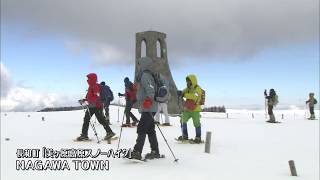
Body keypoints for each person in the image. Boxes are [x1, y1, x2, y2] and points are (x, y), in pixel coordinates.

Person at [126, 57, 160, 160]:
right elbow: (143, 91)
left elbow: (150, 90)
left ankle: (137, 152)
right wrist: (137, 99)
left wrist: (149, 100)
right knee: (150, 130)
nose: (139, 66)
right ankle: (155, 151)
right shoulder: (144, 76)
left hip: (149, 107)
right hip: (148, 107)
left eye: (140, 64)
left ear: (144, 64)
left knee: (141, 128)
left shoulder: (145, 75)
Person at [76, 73, 116, 141]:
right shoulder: (91, 86)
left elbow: (97, 96)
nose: (87, 80)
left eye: (88, 78)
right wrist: (84, 100)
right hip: (92, 106)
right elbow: (91, 97)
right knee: (87, 119)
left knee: (100, 120)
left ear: (92, 79)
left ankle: (109, 132)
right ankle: (84, 135)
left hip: (97, 106)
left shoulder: (95, 86)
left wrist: (89, 101)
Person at [176, 74, 203, 144]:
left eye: (188, 81)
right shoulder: (187, 88)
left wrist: (184, 95)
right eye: (187, 81)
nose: (187, 82)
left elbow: (194, 96)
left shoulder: (198, 88)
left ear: (192, 81)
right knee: (182, 120)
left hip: (195, 109)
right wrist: (180, 92)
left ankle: (198, 137)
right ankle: (185, 135)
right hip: (188, 109)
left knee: (197, 123)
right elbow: (183, 92)